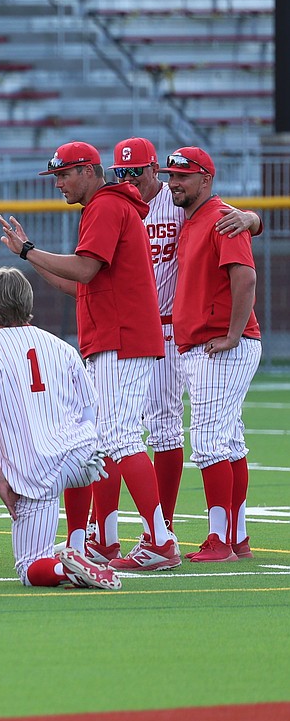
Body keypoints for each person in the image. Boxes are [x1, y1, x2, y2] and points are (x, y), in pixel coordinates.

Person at [0, 140, 179, 572]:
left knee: (119, 437)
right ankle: (107, 540)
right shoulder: (106, 205)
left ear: (90, 171)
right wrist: (31, 255)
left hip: (122, 336)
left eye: (64, 174)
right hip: (116, 335)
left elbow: (83, 269)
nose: (58, 183)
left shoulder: (105, 205)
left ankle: (160, 539)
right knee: (104, 439)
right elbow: (78, 283)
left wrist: (28, 252)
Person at [103, 138, 263, 551]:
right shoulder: (123, 206)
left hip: (193, 332)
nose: (129, 179)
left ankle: (185, 530)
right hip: (157, 329)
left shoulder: (187, 208)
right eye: (121, 172)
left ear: (152, 169)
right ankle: (215, 533)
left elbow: (234, 229)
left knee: (201, 436)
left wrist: (249, 218)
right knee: (184, 430)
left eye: (137, 171)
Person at [0, 267, 119, 590]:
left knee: (30, 567)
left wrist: (0, 482)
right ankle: (76, 542)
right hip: (82, 456)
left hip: (35, 470)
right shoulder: (61, 347)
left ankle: (67, 568)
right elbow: (90, 411)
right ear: (28, 302)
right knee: (78, 460)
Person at [161, 146, 263, 562]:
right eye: (171, 176)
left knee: (209, 441)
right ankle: (236, 538)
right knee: (229, 442)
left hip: (219, 344)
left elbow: (246, 279)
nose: (174, 183)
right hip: (204, 344)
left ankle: (219, 540)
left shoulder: (222, 218)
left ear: (206, 178)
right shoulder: (196, 219)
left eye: (183, 176)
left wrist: (233, 335)